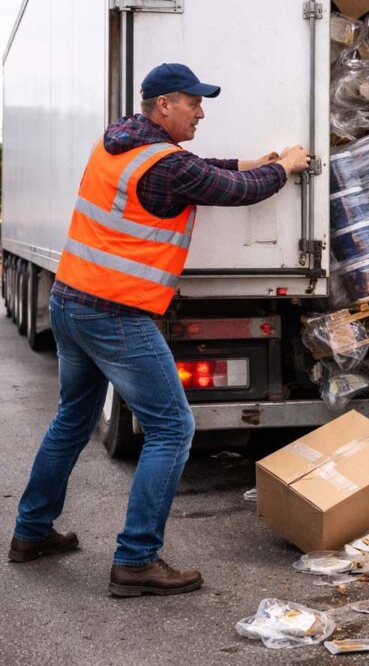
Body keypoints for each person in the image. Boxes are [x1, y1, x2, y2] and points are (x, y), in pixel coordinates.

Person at [8, 63, 311, 597]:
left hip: (70, 302)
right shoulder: (165, 166)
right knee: (172, 429)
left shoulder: (122, 142)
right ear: (164, 105)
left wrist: (251, 160)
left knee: (73, 422)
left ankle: (31, 533)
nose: (201, 110)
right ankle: (136, 560)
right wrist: (283, 167)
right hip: (115, 314)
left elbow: (202, 167)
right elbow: (233, 189)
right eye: (193, 102)